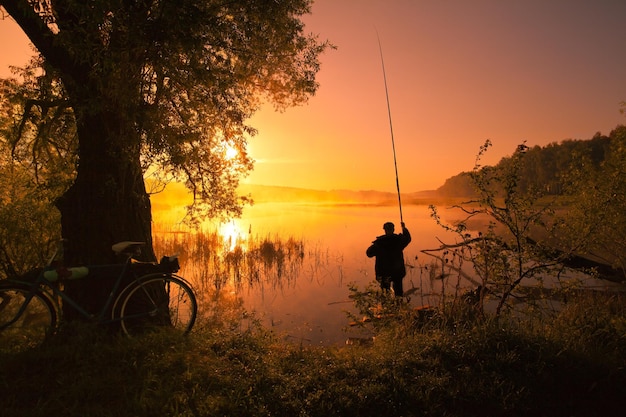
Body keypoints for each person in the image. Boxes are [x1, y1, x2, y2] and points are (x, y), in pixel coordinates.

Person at [366, 221, 411, 296]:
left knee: (385, 294)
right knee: (398, 293)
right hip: (397, 272)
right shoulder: (399, 240)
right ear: (393, 229)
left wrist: (376, 247)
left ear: (384, 230)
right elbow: (407, 239)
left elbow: (369, 253)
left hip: (383, 273)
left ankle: (386, 307)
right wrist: (404, 228)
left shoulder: (379, 243)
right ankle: (398, 306)